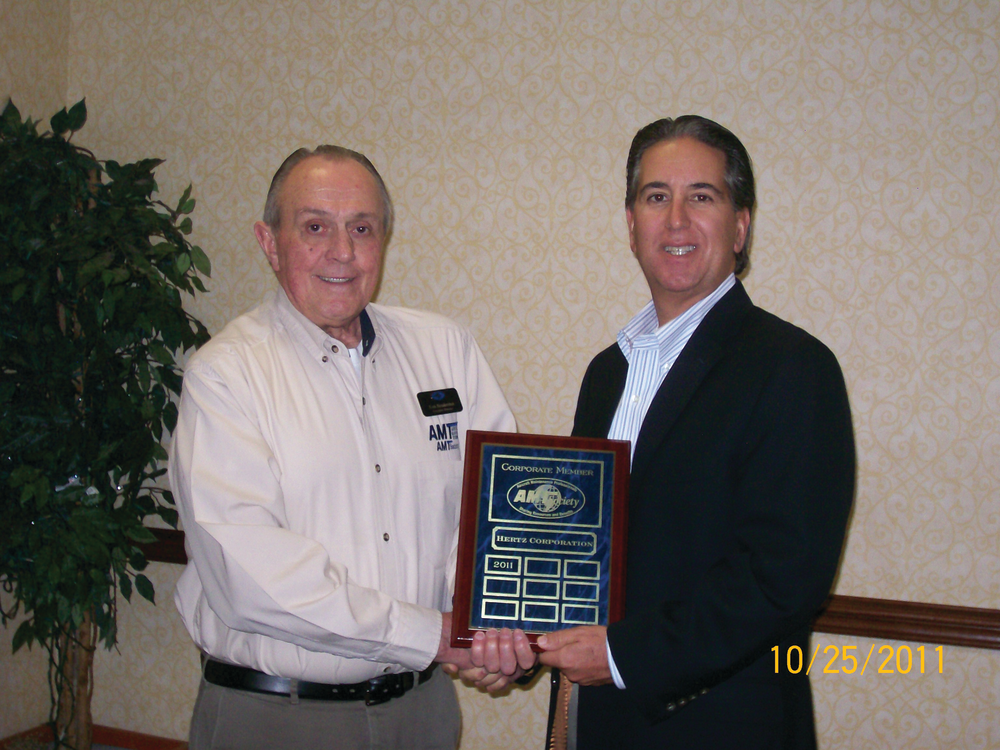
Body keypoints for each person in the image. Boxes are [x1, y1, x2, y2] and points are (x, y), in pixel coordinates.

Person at [169, 145, 522, 749]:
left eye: (362, 228)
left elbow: (493, 505)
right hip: (279, 715)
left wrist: (496, 623)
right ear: (269, 243)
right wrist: (438, 635)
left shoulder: (445, 350)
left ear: (384, 239)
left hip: (423, 712)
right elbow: (253, 575)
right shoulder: (226, 376)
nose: (342, 251)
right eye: (314, 228)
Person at [537, 116, 856, 748]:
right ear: (631, 226)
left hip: (721, 726)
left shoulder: (793, 367)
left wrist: (625, 655)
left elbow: (783, 576)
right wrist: (517, 629)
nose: (676, 219)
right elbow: (581, 543)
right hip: (593, 722)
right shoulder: (606, 373)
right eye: (656, 197)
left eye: (701, 197)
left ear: (740, 226)